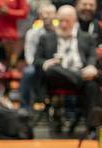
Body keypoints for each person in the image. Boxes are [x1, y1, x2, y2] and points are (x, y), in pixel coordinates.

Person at [34, 5, 100, 133]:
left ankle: (91, 127)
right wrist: (47, 62)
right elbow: (36, 60)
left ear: (75, 21)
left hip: (83, 74)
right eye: (60, 21)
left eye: (67, 21)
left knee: (91, 84)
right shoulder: (46, 38)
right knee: (52, 69)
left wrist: (91, 67)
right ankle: (79, 77)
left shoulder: (87, 37)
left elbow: (92, 57)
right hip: (57, 77)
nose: (63, 25)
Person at [21, 2, 57, 111]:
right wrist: (41, 64)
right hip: (36, 64)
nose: (45, 16)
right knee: (28, 72)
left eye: (49, 13)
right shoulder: (32, 33)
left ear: (55, 15)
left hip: (56, 64)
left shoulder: (61, 31)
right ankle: (25, 107)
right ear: (39, 16)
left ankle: (69, 109)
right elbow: (29, 56)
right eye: (43, 14)